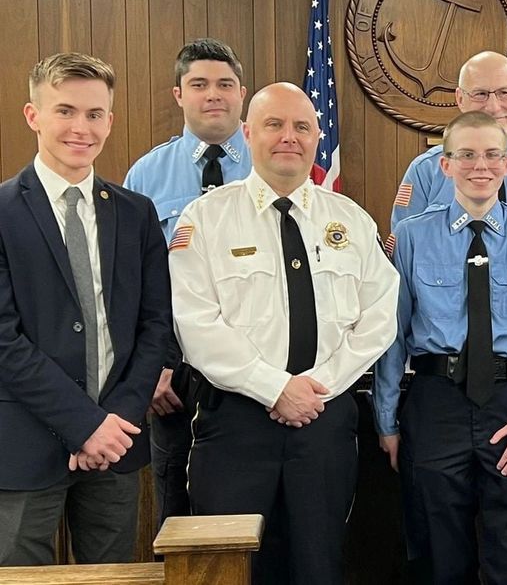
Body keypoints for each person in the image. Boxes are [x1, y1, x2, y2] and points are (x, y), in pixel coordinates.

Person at [168, 82, 398, 583]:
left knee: (319, 563)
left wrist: (317, 387)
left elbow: (380, 315)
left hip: (324, 419)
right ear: (248, 133)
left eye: (301, 126)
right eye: (274, 124)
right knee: (228, 565)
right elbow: (196, 323)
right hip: (236, 423)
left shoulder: (351, 221)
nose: (288, 137)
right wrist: (275, 388)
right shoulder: (205, 219)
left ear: (318, 136)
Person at [374, 111, 507, 583]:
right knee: (439, 557)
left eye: (491, 155)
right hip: (435, 403)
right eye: (466, 155)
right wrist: (387, 421)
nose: (479, 165)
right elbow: (392, 336)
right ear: (445, 165)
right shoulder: (413, 236)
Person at [0, 52, 171, 565]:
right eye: (65, 111)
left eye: (95, 114)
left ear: (110, 120)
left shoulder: (136, 213)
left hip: (116, 447)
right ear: (33, 116)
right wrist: (84, 425)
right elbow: (4, 340)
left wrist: (114, 420)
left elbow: (155, 327)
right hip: (26, 445)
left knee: (112, 577)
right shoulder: (3, 213)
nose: (82, 127)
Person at [124, 38, 251, 524]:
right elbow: (131, 283)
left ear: (242, 93)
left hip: (257, 359)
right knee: (176, 509)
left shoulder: (273, 163)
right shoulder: (146, 175)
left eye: (225, 84)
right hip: (172, 372)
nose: (213, 95)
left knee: (253, 507)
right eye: (199, 84)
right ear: (179, 94)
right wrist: (149, 369)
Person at [389, 51, 507, 233]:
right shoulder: (425, 172)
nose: (493, 107)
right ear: (460, 99)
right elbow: (403, 255)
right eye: (480, 94)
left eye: (504, 92)